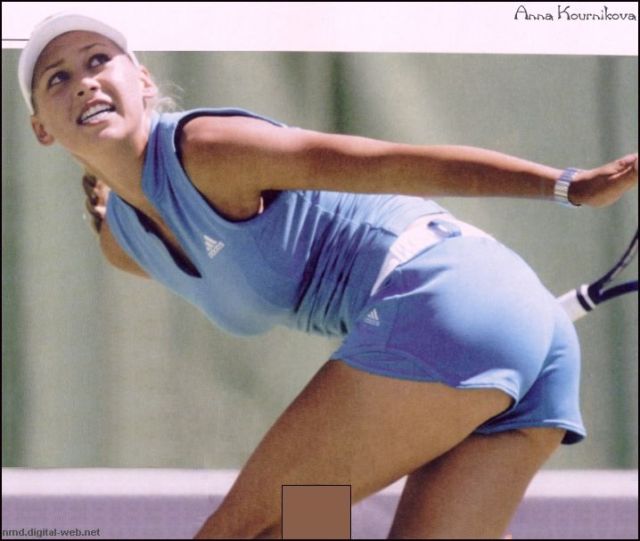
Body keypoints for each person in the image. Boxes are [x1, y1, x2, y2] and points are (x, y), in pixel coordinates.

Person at [19, 12, 637, 540]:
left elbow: (388, 164)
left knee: (243, 530)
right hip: (512, 327)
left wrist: (568, 186)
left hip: (447, 298)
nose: (85, 81)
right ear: (41, 128)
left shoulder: (208, 148)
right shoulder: (125, 248)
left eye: (98, 59)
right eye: (58, 77)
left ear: (144, 80)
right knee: (298, 524)